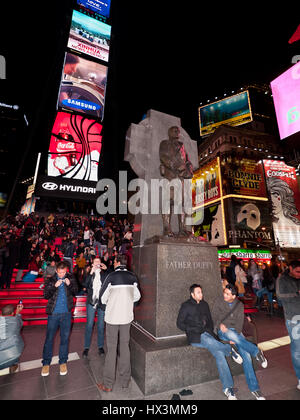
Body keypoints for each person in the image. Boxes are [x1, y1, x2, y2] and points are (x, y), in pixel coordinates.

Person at [177, 284, 243, 400]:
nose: (201, 294)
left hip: (208, 335)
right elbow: (179, 323)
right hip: (195, 336)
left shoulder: (205, 304)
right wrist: (192, 328)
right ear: (192, 294)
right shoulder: (186, 306)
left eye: (201, 292)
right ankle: (229, 350)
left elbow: (210, 321)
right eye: (198, 292)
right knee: (208, 340)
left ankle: (228, 388)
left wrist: (211, 332)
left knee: (219, 354)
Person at [213, 284, 268, 400]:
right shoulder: (218, 301)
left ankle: (255, 389)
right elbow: (214, 318)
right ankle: (256, 352)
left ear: (234, 296)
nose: (224, 295)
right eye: (224, 292)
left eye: (227, 294)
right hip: (223, 330)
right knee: (230, 333)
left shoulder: (239, 305)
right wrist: (220, 325)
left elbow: (238, 326)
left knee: (246, 356)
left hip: (236, 333)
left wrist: (234, 338)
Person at [97, 254, 141, 392]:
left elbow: (102, 298)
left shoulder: (111, 277)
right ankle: (125, 381)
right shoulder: (133, 277)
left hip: (112, 318)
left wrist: (109, 305)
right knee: (124, 348)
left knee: (111, 349)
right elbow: (137, 297)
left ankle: (108, 384)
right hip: (126, 317)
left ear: (116, 263)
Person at [41, 261, 78, 377]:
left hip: (66, 314)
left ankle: (63, 361)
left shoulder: (70, 278)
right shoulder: (51, 280)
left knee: (65, 339)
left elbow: (76, 291)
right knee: (49, 339)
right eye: (60, 272)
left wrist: (70, 284)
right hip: (53, 314)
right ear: (56, 271)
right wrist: (54, 286)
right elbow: (46, 295)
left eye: (64, 272)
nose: (62, 274)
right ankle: (46, 363)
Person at [159, 126, 194, 237]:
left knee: (181, 204)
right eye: (175, 131)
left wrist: (188, 169)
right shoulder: (164, 143)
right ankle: (166, 228)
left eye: (178, 131)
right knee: (168, 202)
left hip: (181, 178)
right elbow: (163, 157)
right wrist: (176, 166)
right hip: (170, 176)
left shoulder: (181, 145)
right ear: (169, 132)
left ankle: (182, 229)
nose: (177, 132)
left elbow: (188, 161)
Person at [276, 260, 300, 391]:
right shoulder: (282, 279)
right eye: (297, 271)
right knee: (297, 350)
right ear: (290, 268)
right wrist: (297, 294)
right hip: (293, 318)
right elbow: (280, 296)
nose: (299, 274)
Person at [82, 257, 109, 358]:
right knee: (89, 325)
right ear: (92, 264)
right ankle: (86, 347)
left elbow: (111, 280)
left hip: (102, 303)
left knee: (101, 325)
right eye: (95, 262)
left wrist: (106, 269)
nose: (97, 263)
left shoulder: (104, 274)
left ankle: (100, 346)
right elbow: (84, 285)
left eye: (99, 261)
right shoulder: (89, 273)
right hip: (91, 302)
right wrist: (90, 273)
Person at [0, 303, 24, 373]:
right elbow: (18, 320)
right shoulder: (15, 321)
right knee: (15, 341)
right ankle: (13, 365)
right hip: (12, 355)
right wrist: (18, 312)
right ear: (12, 313)